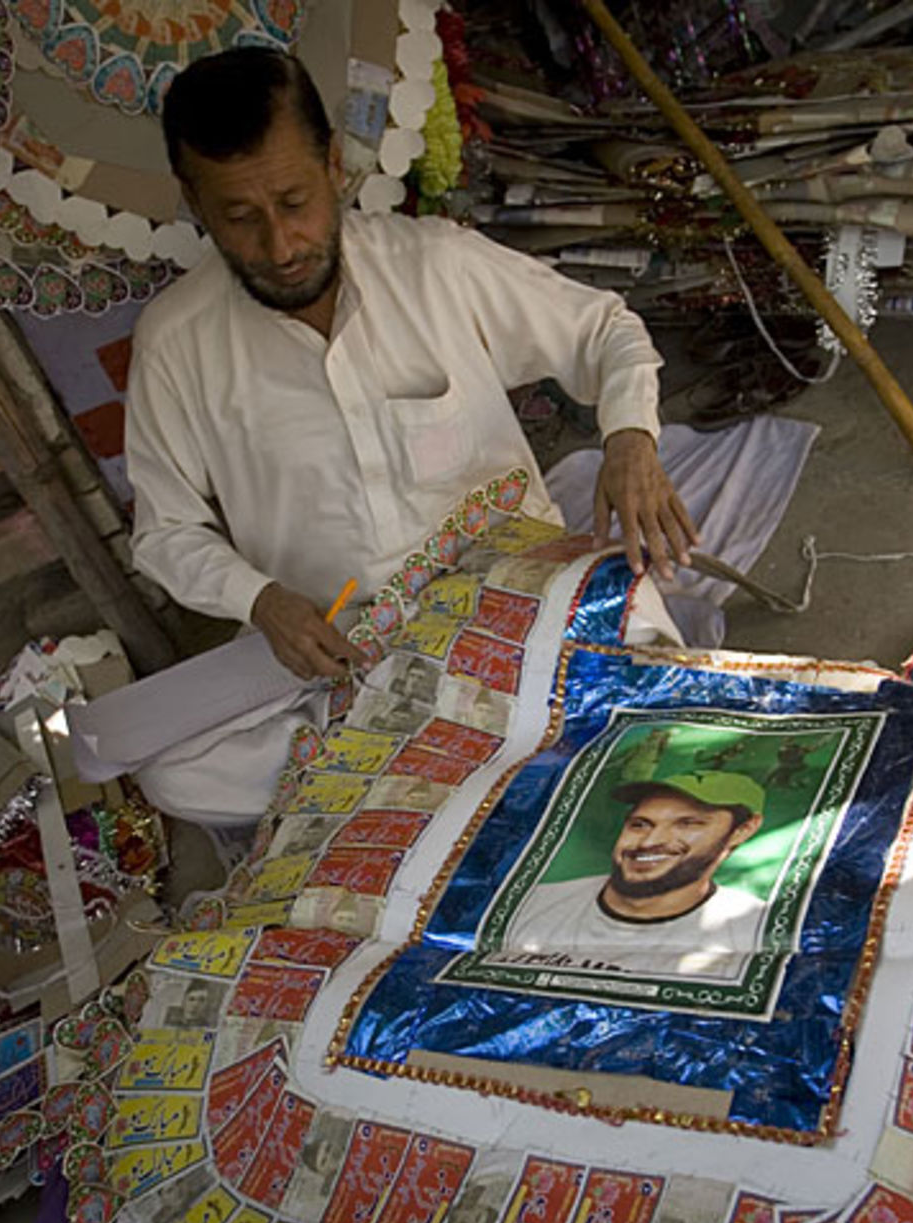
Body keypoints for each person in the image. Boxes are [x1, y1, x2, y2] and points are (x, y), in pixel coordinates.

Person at [124, 49, 696, 823]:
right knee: (176, 774)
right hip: (344, 649)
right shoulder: (176, 342)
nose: (281, 245)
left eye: (294, 201)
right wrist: (260, 601)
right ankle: (467, 760)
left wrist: (630, 439)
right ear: (194, 202)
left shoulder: (433, 264)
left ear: (333, 166)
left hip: (514, 601)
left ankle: (431, 776)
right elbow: (165, 531)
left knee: (645, 649)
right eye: (240, 217)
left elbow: (604, 330)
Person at [501, 770, 767, 980]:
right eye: (639, 825)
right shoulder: (536, 902)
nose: (649, 842)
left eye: (688, 824)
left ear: (742, 830)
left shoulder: (753, 927)